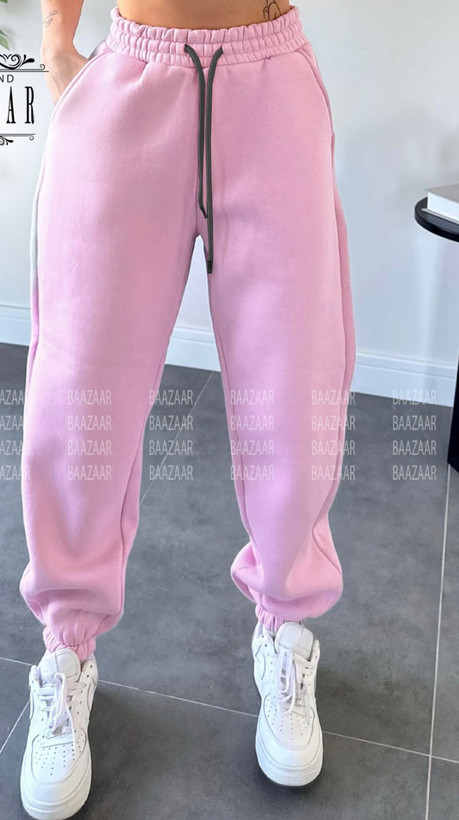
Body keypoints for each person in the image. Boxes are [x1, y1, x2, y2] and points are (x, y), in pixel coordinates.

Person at [18, 0, 357, 817]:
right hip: (130, 80)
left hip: (270, 84)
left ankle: (284, 628)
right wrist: (56, 40)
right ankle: (66, 649)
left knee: (294, 382)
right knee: (80, 388)